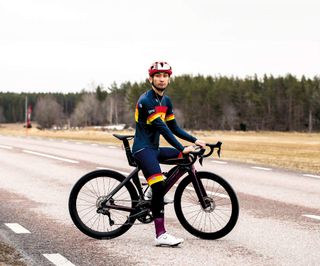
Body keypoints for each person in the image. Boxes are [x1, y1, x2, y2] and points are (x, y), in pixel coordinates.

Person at [132, 61, 206, 247]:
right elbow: (163, 129)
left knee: (186, 158)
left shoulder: (166, 101)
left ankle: (152, 191)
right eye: (158, 75)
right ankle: (160, 235)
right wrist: (182, 147)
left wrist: (194, 140)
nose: (162, 79)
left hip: (154, 149)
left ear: (169, 79)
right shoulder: (146, 101)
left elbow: (174, 127)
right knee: (159, 186)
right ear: (151, 78)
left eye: (165, 76)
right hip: (142, 149)